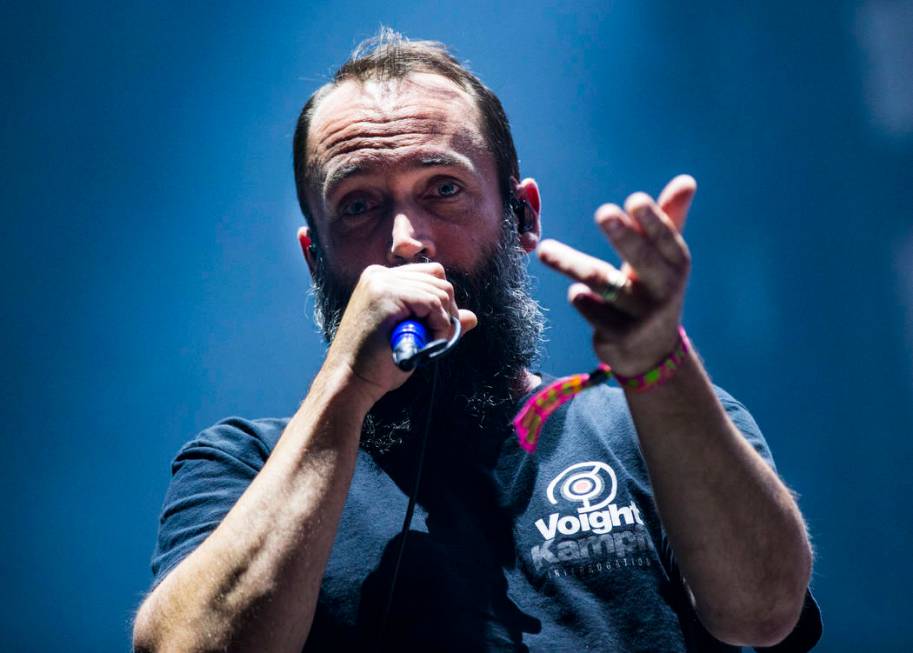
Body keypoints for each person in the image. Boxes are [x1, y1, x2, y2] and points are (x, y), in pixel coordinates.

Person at [132, 30, 821, 652]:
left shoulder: (648, 423)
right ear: (316, 260)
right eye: (360, 204)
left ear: (521, 216)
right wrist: (344, 386)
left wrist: (661, 368)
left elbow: (762, 612)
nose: (406, 242)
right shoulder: (242, 465)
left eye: (442, 189)